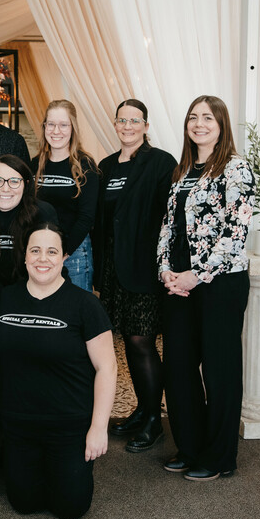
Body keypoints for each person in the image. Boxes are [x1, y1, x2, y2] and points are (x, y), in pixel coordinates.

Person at [157, 95, 254, 482]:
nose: (199, 124)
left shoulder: (235, 168)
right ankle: (190, 447)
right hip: (178, 282)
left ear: (221, 124)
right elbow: (168, 226)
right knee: (178, 367)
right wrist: (165, 269)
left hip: (220, 283)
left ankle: (218, 457)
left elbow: (236, 233)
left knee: (219, 370)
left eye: (207, 118)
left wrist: (196, 274)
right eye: (193, 118)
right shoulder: (182, 171)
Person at [0, 222, 117, 519]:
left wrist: (98, 428)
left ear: (64, 257)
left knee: (70, 509)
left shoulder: (85, 305)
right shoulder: (6, 298)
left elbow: (107, 367)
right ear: (24, 257)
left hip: (68, 426)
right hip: (18, 425)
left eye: (51, 251)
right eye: (35, 250)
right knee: (24, 503)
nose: (42, 258)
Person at [94, 99, 177, 453]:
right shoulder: (106, 166)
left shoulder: (161, 162)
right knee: (127, 340)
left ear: (145, 125)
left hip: (144, 266)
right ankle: (142, 408)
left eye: (135, 120)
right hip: (114, 267)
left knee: (143, 342)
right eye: (121, 120)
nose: (127, 126)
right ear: (114, 125)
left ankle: (154, 421)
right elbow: (102, 221)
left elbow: (169, 218)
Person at [30, 100, 99, 291]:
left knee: (75, 314)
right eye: (51, 124)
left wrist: (62, 251)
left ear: (73, 128)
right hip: (41, 251)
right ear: (44, 127)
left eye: (63, 125)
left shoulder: (85, 166)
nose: (56, 131)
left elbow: (86, 217)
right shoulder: (35, 165)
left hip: (74, 252)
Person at [0, 154, 57, 287]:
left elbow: (52, 266)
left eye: (14, 181)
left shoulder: (43, 213)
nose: (5, 188)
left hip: (31, 293)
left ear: (26, 184)